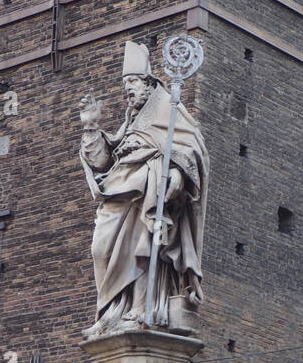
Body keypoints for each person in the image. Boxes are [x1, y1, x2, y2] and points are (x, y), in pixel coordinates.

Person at [78, 40, 208, 337]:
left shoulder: (168, 109)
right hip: (117, 194)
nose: (129, 89)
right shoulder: (131, 120)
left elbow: (192, 149)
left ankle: (139, 310)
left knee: (144, 249)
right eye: (126, 83)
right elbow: (103, 163)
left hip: (146, 195)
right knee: (100, 250)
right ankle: (110, 311)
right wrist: (91, 127)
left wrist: (175, 174)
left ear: (150, 83)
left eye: (134, 82)